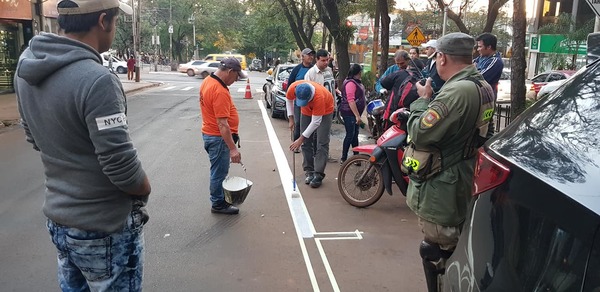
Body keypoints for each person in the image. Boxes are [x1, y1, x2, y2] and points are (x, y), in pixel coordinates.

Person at [14, 0, 152, 290]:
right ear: (103, 21)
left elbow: (33, 137)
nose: (115, 29)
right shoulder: (97, 80)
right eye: (115, 22)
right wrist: (144, 188)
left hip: (59, 219)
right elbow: (121, 165)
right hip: (104, 228)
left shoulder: (26, 69)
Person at [406, 32, 495, 292]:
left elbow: (420, 133)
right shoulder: (482, 86)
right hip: (462, 174)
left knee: (436, 249)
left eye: (436, 58)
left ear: (442, 58)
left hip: (443, 184)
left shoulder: (457, 91)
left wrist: (423, 100)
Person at [200, 57, 247, 215]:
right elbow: (222, 124)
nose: (236, 80)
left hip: (210, 134)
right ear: (229, 71)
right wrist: (233, 149)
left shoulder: (209, 80)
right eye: (236, 76)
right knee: (219, 173)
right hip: (217, 138)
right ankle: (218, 203)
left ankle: (219, 199)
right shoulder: (219, 91)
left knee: (217, 171)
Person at [286, 80, 334, 188]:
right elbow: (289, 100)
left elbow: (316, 122)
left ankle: (318, 174)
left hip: (325, 110)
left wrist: (300, 138)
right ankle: (309, 171)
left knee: (322, 142)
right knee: (306, 142)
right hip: (306, 111)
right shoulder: (293, 87)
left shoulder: (319, 97)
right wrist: (291, 118)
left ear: (310, 97)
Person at [339, 63, 366, 164]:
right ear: (358, 72)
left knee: (355, 135)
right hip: (349, 113)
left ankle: (356, 157)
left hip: (353, 113)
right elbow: (351, 101)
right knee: (350, 135)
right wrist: (357, 116)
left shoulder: (355, 82)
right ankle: (344, 158)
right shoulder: (351, 83)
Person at [287, 48, 315, 141]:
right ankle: (296, 143)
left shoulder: (314, 69)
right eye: (309, 55)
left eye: (312, 55)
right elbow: (290, 85)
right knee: (298, 122)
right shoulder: (297, 69)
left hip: (311, 102)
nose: (311, 57)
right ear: (302, 57)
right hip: (298, 101)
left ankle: (308, 144)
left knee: (310, 123)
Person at [473, 33, 504, 98]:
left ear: (489, 47)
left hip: (486, 98)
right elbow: (469, 66)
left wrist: (473, 70)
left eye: (480, 47)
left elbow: (479, 78)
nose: (478, 49)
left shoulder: (495, 62)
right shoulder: (481, 57)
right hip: (477, 95)